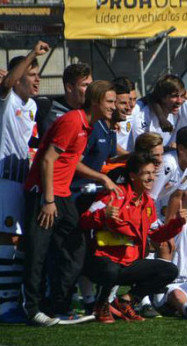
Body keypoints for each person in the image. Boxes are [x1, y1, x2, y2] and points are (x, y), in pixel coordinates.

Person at [22, 80, 117, 326]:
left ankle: (58, 305)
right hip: (45, 194)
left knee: (75, 249)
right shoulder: (73, 121)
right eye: (110, 101)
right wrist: (48, 200)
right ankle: (32, 309)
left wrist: (101, 176)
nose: (113, 106)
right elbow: (46, 160)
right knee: (38, 252)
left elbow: (71, 161)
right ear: (96, 101)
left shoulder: (89, 125)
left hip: (61, 196)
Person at [80, 153, 186, 323]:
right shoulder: (115, 194)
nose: (152, 178)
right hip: (100, 262)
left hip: (128, 264)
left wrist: (177, 224)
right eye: (146, 173)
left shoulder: (148, 203)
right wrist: (103, 215)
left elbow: (156, 236)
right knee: (111, 270)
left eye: (153, 173)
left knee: (169, 270)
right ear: (133, 176)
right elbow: (84, 220)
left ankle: (126, 300)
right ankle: (101, 304)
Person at [0, 41, 49, 240]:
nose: (37, 80)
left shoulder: (32, 106)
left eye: (38, 75)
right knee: (8, 235)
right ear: (18, 79)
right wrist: (32, 53)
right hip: (6, 178)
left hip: (24, 179)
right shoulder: (7, 99)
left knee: (21, 236)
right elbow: (6, 85)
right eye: (31, 75)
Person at [35, 63, 93, 139]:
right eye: (85, 85)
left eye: (91, 85)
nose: (90, 89)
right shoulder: (47, 106)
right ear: (69, 87)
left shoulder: (91, 112)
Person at [131, 74, 186, 148]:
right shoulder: (143, 118)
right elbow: (143, 152)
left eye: (182, 96)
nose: (179, 101)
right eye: (174, 96)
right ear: (162, 97)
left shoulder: (182, 111)